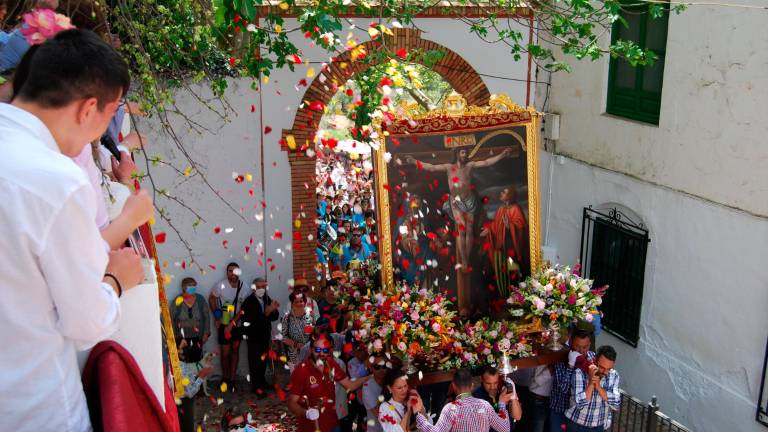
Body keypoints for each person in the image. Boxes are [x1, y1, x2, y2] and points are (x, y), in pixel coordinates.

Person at [0, 29, 147, 431]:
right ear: (88, 109)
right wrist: (117, 279)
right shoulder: (56, 181)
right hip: (33, 404)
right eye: (108, 115)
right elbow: (87, 322)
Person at [405, 146, 513, 269]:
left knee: (470, 229)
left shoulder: (470, 166)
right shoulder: (449, 167)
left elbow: (487, 162)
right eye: (462, 152)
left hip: (470, 200)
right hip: (456, 201)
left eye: (466, 153)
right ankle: (464, 260)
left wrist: (502, 155)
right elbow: (431, 167)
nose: (464, 155)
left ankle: (466, 259)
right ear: (457, 154)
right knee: (462, 229)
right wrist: (414, 161)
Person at [286, 331, 369, 432]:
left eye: (325, 350)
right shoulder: (301, 370)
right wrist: (306, 413)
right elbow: (291, 402)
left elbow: (350, 385)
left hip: (333, 425)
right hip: (311, 428)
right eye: (317, 349)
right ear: (311, 349)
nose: (321, 353)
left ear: (330, 350)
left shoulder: (331, 363)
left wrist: (371, 377)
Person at [413, 368, 514, 432]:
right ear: (472, 386)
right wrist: (501, 404)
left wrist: (418, 414)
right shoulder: (485, 405)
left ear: (453, 386)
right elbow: (505, 428)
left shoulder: (450, 409)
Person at [209, 262, 248, 390]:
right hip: (224, 323)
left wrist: (232, 324)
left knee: (235, 351)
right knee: (225, 354)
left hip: (237, 324)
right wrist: (217, 317)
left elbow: (244, 309)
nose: (232, 273)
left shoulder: (245, 287)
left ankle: (232, 379)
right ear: (227, 273)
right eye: (230, 271)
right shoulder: (221, 285)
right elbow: (212, 299)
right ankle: (225, 378)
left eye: (235, 271)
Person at [480, 186, 530, 288]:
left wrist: (509, 226)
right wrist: (488, 230)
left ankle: (513, 292)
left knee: (512, 271)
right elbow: (496, 225)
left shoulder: (516, 209)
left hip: (511, 247)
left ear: (510, 196)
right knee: (496, 270)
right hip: (500, 247)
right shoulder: (500, 209)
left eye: (504, 192)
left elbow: (521, 226)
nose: (501, 194)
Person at [564, 346, 620, 432]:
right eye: (602, 367)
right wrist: (591, 383)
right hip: (576, 425)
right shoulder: (579, 373)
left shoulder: (614, 375)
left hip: (598, 427)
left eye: (609, 369)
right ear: (595, 361)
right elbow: (580, 405)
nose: (605, 372)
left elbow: (616, 404)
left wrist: (598, 387)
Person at [240, 277, 280, 396]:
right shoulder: (248, 302)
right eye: (259, 287)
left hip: (265, 336)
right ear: (253, 288)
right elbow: (250, 321)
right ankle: (256, 386)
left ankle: (262, 382)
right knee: (255, 362)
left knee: (263, 361)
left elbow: (275, 316)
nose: (262, 289)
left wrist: (272, 311)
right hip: (253, 337)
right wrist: (266, 313)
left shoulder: (267, 298)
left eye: (264, 287)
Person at [550, 329, 595, 432]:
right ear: (571, 343)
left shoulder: (592, 358)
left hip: (578, 413)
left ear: (589, 345)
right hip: (560, 409)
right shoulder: (561, 359)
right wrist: (570, 365)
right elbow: (564, 389)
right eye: (577, 346)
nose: (581, 350)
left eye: (584, 347)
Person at [176, 338, 214, 432]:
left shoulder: (177, 363)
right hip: (184, 404)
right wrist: (201, 376)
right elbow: (190, 392)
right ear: (176, 349)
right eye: (183, 347)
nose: (186, 349)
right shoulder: (179, 365)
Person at [472, 366, 522, 431]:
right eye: (488, 383)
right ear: (482, 379)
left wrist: (513, 396)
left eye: (495, 383)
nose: (492, 387)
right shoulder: (476, 396)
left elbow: (517, 417)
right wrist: (501, 402)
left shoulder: (503, 390)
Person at [171, 277, 211, 350]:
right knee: (184, 359)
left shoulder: (200, 299)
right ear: (184, 288)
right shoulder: (178, 300)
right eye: (190, 287)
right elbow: (171, 319)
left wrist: (206, 333)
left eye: (194, 286)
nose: (193, 288)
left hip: (198, 336)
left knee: (196, 357)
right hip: (181, 338)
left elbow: (207, 317)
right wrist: (173, 336)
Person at [281, 291, 315, 368]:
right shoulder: (287, 317)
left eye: (301, 301)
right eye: (296, 302)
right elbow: (283, 337)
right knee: (296, 377)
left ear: (305, 302)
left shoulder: (309, 315)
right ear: (292, 303)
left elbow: (313, 333)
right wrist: (296, 344)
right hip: (294, 355)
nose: (299, 304)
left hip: (308, 353)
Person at [362, 355, 393, 432]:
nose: (381, 370)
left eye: (384, 366)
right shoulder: (367, 387)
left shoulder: (392, 381)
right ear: (371, 368)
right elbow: (379, 414)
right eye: (377, 367)